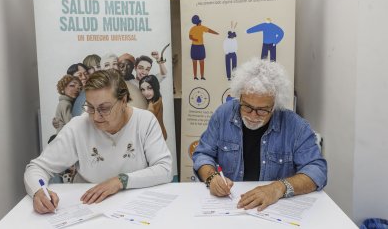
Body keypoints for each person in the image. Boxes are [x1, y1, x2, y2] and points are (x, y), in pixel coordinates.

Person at [24, 69, 172, 214]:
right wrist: (38, 192)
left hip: (136, 206)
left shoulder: (145, 121)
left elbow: (165, 169)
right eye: (90, 107)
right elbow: (37, 168)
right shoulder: (78, 126)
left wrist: (120, 181)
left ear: (123, 101)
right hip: (87, 206)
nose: (95, 117)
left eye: (104, 108)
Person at [192, 59, 327, 211]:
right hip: (231, 204)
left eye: (262, 110)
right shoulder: (223, 115)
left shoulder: (296, 127)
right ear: (239, 97)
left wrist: (278, 188)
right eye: (247, 107)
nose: (253, 116)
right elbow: (202, 154)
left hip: (273, 208)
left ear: (275, 105)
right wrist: (212, 177)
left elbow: (317, 170)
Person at [189, 14, 219, 80]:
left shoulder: (201, 27)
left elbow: (209, 30)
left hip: (199, 46)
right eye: (200, 22)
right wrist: (195, 39)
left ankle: (202, 76)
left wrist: (216, 33)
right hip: (195, 47)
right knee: (195, 62)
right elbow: (190, 37)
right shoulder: (193, 28)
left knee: (201, 62)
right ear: (198, 22)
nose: (200, 23)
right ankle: (195, 76)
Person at [139, 75, 167, 140]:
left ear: (155, 87)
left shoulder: (151, 107)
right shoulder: (157, 99)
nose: (146, 92)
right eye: (143, 89)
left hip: (156, 138)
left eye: (149, 88)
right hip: (160, 135)